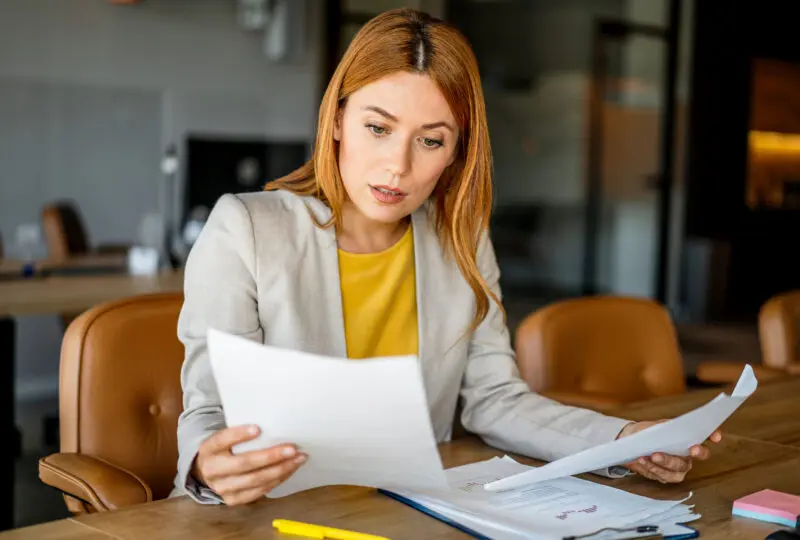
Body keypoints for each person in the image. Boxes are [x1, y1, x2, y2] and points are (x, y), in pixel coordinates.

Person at [171, 8, 721, 506]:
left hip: (409, 508)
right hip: (272, 513)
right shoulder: (244, 228)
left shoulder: (460, 237)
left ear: (456, 150)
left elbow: (496, 400)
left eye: (430, 140)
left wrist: (619, 440)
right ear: (336, 120)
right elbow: (209, 408)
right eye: (378, 128)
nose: (397, 166)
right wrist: (205, 466)